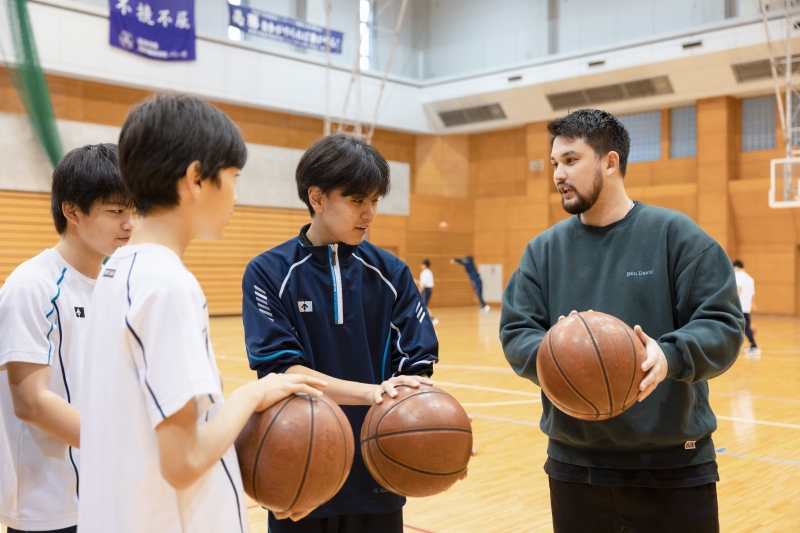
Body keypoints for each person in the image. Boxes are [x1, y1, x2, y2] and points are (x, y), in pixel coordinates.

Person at [77, 93, 326, 533]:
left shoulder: (115, 271)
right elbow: (184, 460)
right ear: (196, 178)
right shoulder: (168, 285)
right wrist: (254, 394)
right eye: (232, 176)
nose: (236, 194)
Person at [500, 109, 744, 533]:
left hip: (674, 466)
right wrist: (564, 359)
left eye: (571, 161)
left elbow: (723, 325)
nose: (558, 173)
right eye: (556, 163)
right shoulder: (543, 251)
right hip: (576, 466)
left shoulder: (676, 236)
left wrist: (668, 356)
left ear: (610, 162)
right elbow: (517, 331)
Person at [242, 134, 451, 533]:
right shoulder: (267, 272)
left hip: (379, 470)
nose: (369, 213)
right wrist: (370, 392)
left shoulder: (392, 274)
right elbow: (284, 373)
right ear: (317, 198)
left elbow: (416, 368)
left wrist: (434, 427)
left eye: (375, 201)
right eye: (357, 201)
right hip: (298, 466)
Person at [0, 144, 135, 533]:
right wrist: (122, 447)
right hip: (49, 505)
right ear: (72, 210)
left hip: (107, 495)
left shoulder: (118, 286)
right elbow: (31, 401)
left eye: (134, 211)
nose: (129, 224)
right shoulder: (32, 286)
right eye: (116, 211)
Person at [733, 260, 759, 357]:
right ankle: (750, 345)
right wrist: (752, 304)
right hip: (746, 307)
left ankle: (753, 346)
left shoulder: (737, 275)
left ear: (736, 267)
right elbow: (753, 293)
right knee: (743, 327)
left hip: (739, 307)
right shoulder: (750, 278)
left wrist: (734, 301)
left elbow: (739, 288)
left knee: (743, 327)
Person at [418, 259, 438, 325]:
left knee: (423, 305)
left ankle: (432, 319)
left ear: (424, 265)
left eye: (422, 264)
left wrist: (419, 291)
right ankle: (431, 319)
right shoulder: (429, 272)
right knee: (424, 305)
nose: (421, 265)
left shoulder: (424, 273)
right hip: (429, 289)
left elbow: (423, 284)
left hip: (425, 290)